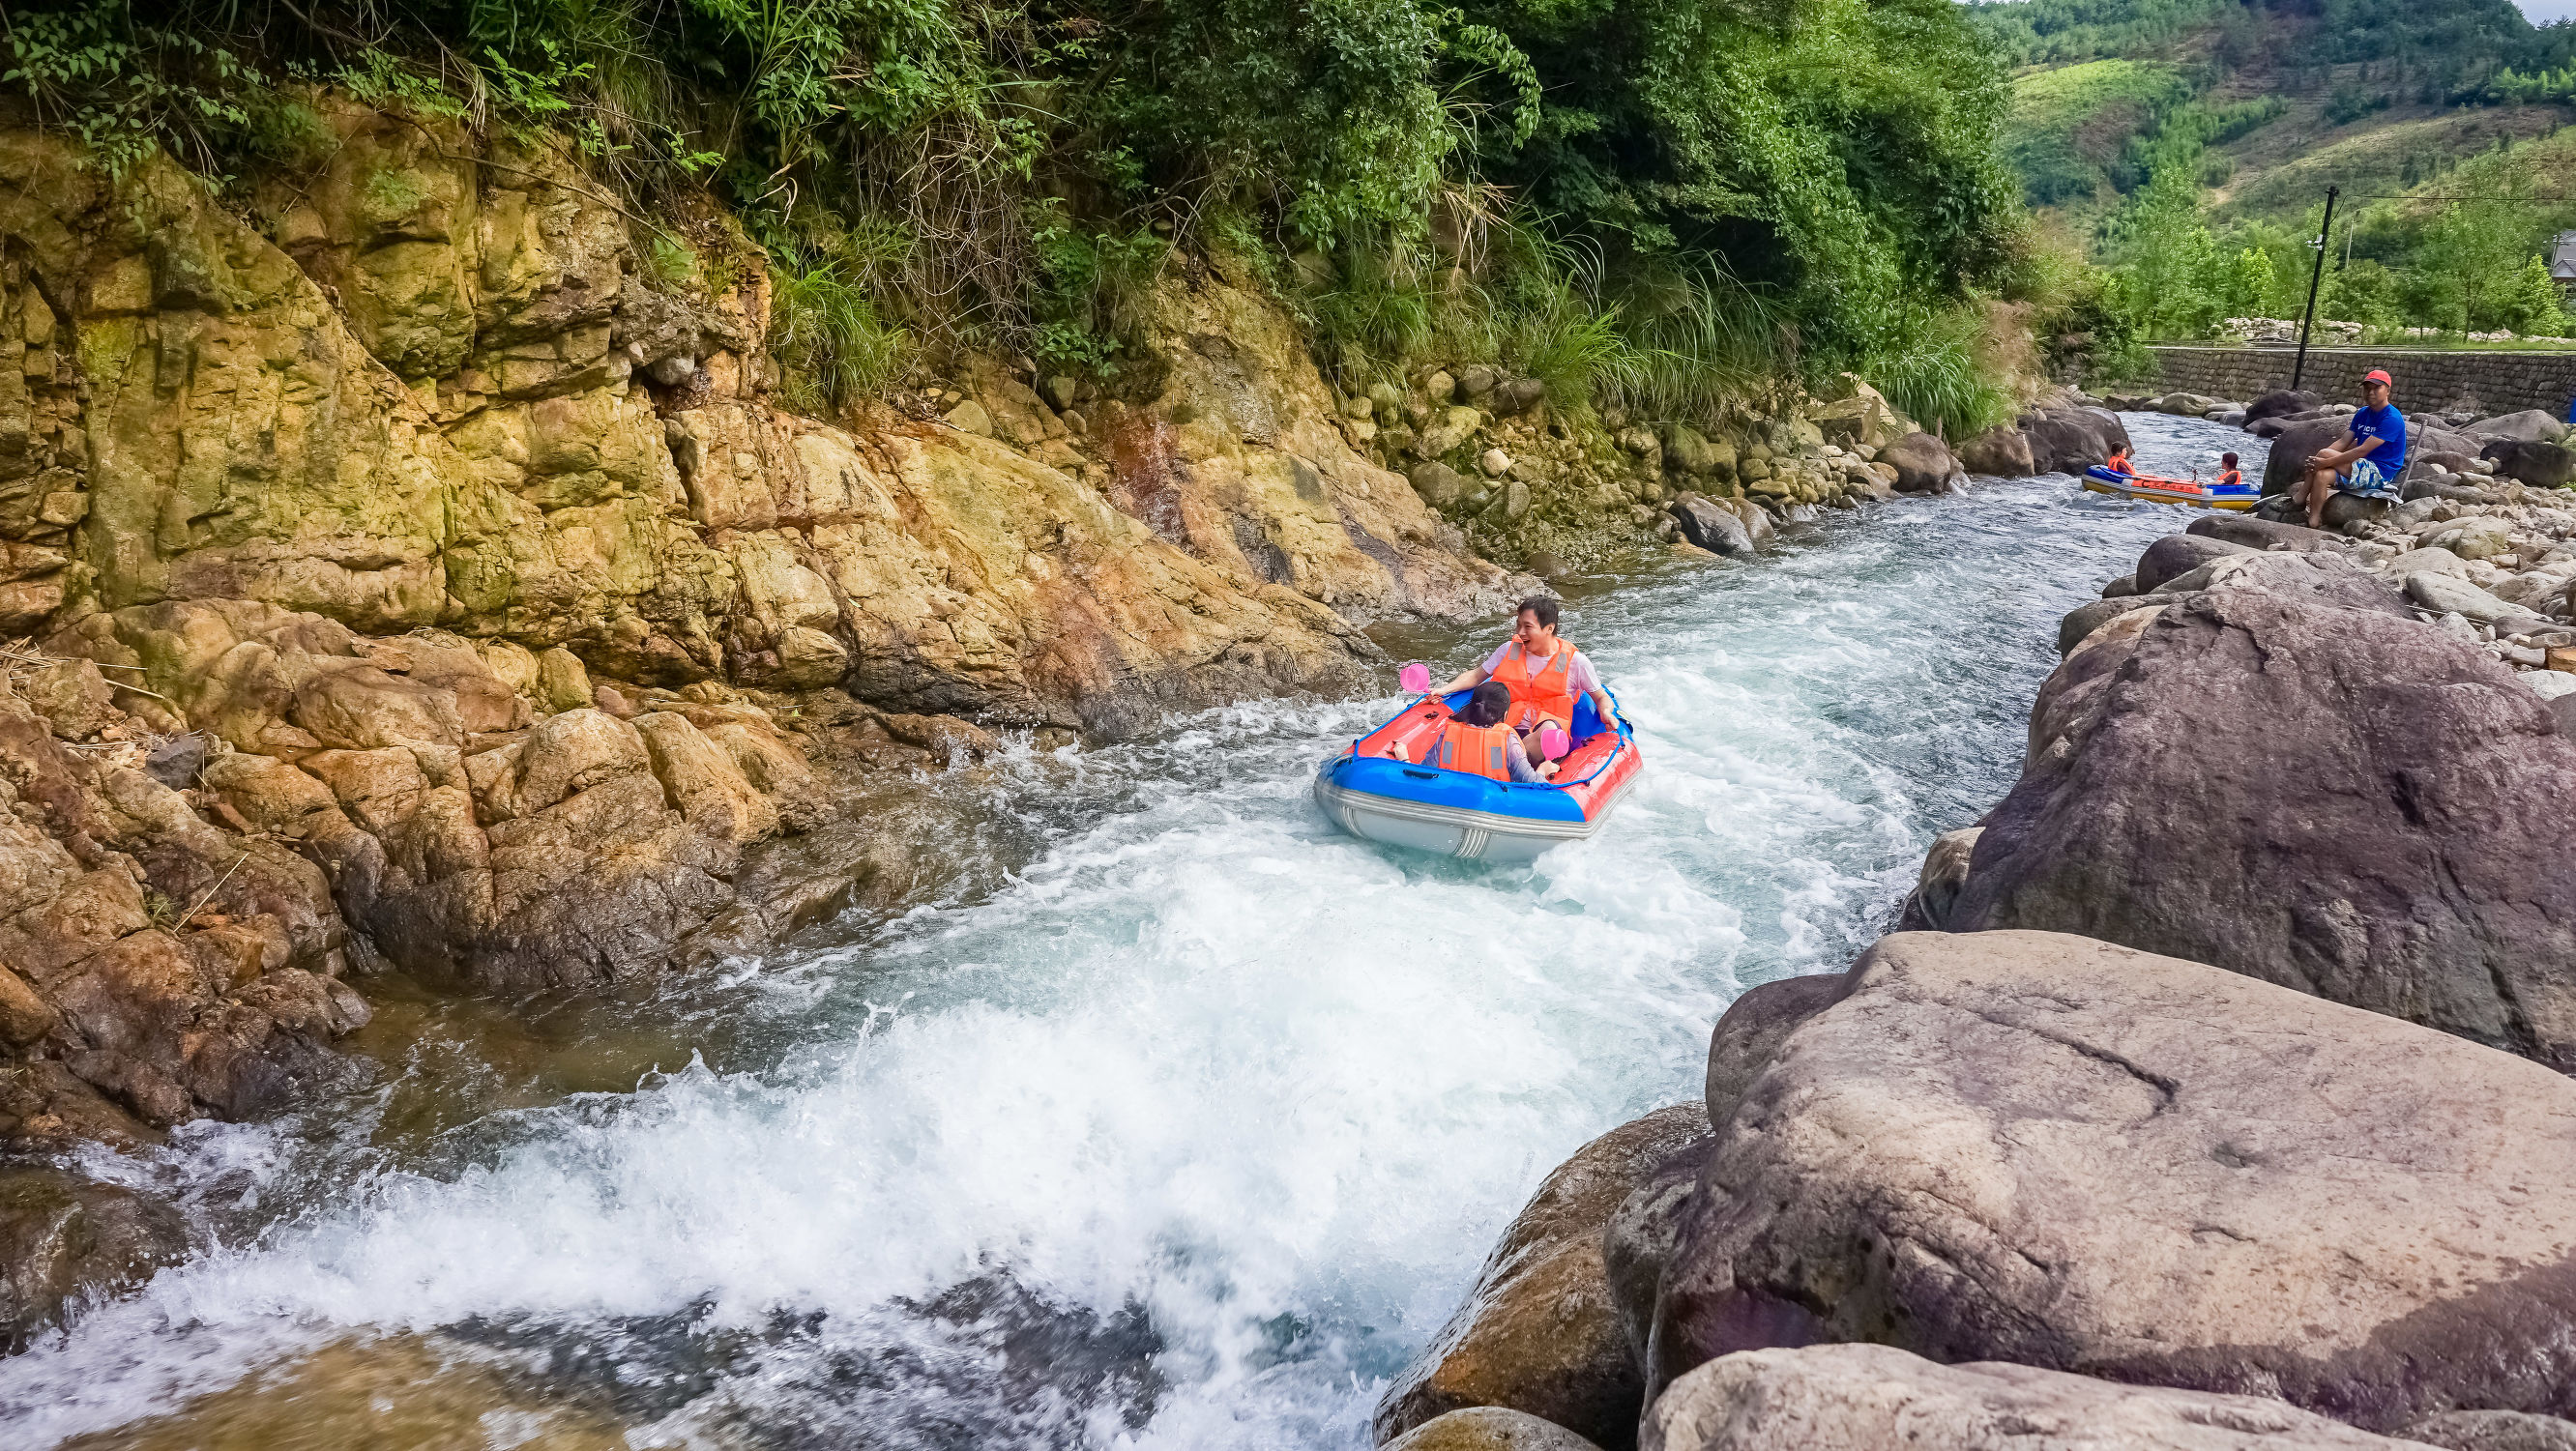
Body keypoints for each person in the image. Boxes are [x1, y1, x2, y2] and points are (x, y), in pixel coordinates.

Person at [1437, 595, 1618, 766]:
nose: (1520, 632)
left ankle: (1502, 763)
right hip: (1504, 730)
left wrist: (1607, 713)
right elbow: (1477, 676)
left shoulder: (1576, 662)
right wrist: (1445, 689)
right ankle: (1492, 760)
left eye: (1528, 626)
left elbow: (1601, 697)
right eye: (1518, 625)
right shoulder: (1509, 649)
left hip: (1545, 739)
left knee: (1548, 730)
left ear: (1549, 628)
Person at [2299, 368, 2406, 529]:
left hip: (2379, 472)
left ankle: (2300, 498)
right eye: (2367, 388)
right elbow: (2343, 441)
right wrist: (2320, 462)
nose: (2370, 392)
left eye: (2376, 388)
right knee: (2321, 475)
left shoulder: (2392, 418)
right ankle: (2314, 520)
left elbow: (2362, 450)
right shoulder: (2363, 413)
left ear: (2388, 391)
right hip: (2359, 466)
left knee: (2323, 456)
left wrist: (2324, 459)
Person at [1414, 681, 1556, 782]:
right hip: (1494, 806)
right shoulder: (1508, 741)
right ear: (1505, 715)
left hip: (1452, 799)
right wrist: (1543, 770)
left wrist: (1404, 759)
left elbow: (1424, 774)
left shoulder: (1447, 735)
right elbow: (1532, 783)